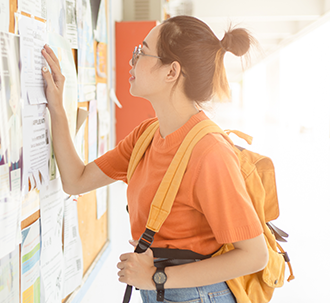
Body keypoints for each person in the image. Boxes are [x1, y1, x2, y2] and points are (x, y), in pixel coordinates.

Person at [41, 15, 268, 303]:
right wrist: (58, 109)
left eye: (141, 52)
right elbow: (76, 180)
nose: (131, 61)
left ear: (171, 72)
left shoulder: (210, 152)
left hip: (193, 294)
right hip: (161, 291)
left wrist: (155, 278)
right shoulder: (146, 136)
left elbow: (254, 255)